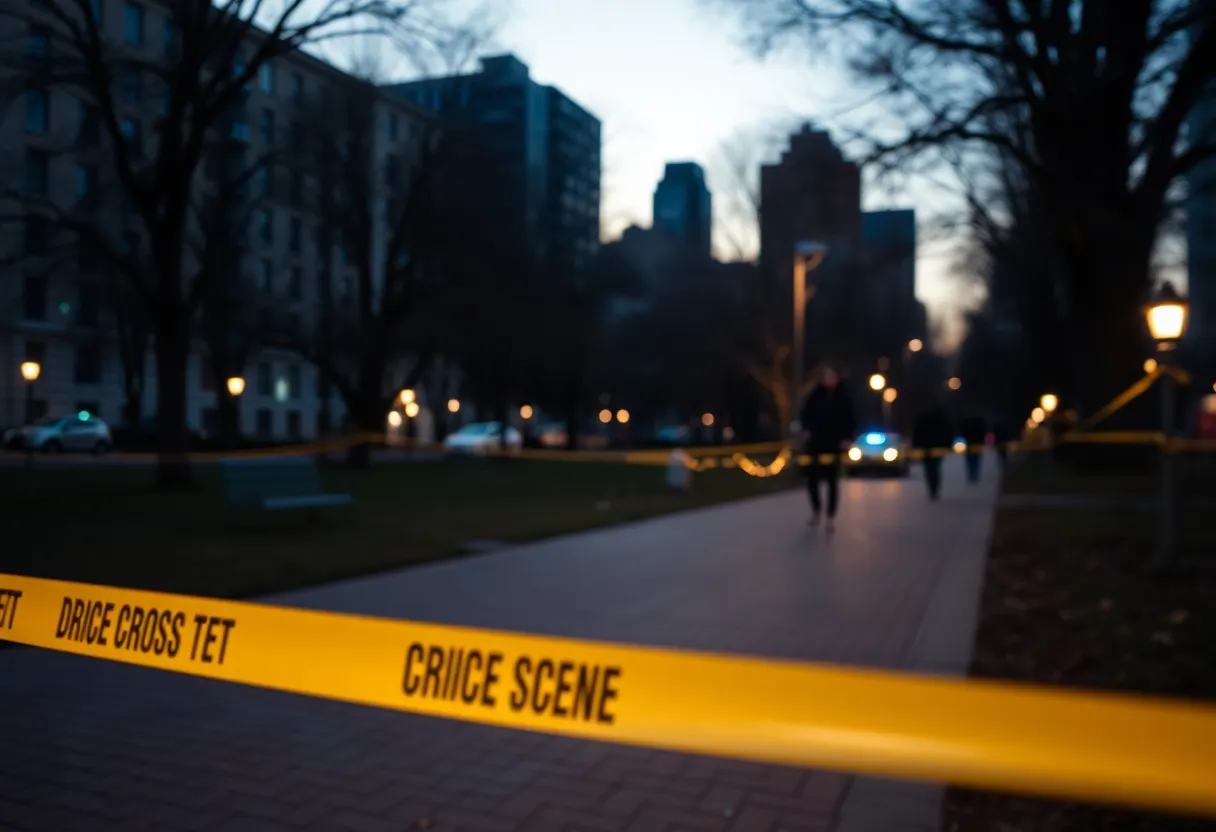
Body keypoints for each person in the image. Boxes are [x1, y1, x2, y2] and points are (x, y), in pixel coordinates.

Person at [798, 364, 857, 531]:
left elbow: (850, 419)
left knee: (832, 481)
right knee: (812, 480)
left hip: (834, 444)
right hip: (815, 443)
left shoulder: (843, 397)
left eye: (832, 376)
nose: (829, 379)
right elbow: (806, 416)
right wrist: (806, 431)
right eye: (826, 376)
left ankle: (831, 516)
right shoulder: (814, 396)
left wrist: (847, 438)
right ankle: (816, 510)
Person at [912, 399, 954, 500]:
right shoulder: (940, 418)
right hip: (936, 447)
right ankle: (934, 488)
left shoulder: (923, 418)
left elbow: (917, 432)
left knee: (929, 469)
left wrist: (916, 445)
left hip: (927, 447)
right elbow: (947, 432)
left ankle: (932, 488)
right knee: (935, 468)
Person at [959, 410, 989, 484]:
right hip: (975, 443)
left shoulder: (967, 422)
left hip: (972, 443)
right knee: (975, 460)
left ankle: (972, 475)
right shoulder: (978, 422)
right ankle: (974, 475)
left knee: (972, 460)